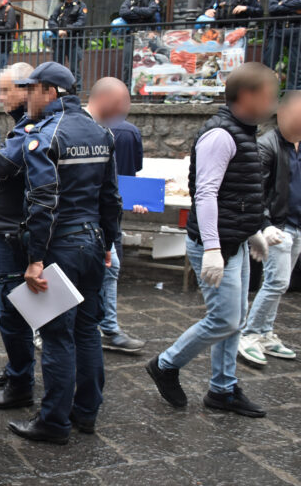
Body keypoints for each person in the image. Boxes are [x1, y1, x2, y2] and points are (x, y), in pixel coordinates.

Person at [145, 62, 278, 418]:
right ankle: (166, 364)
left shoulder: (244, 131)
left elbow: (240, 193)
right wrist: (214, 249)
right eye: (270, 95)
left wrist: (254, 231)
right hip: (216, 245)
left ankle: (222, 389)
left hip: (234, 241)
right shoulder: (221, 134)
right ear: (248, 96)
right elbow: (204, 194)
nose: (274, 102)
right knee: (225, 320)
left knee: (236, 316)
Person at [0, 62, 121, 444]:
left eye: (32, 90)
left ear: (49, 92)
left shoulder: (44, 136)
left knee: (56, 336)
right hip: (93, 241)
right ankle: (86, 413)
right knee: (87, 329)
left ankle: (53, 421)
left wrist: (35, 259)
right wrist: (109, 244)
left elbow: (42, 203)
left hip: (60, 247)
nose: (28, 97)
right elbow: (111, 198)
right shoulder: (101, 133)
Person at [0, 62, 34, 392]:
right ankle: (18, 368)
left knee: (13, 306)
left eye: (5, 90)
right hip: (8, 227)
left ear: (26, 88)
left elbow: (2, 167)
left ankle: (20, 381)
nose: (0, 98)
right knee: (12, 306)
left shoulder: (30, 128)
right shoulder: (22, 125)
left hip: (13, 230)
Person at [238, 91, 301, 365]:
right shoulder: (266, 145)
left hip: (297, 225)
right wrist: (265, 226)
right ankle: (250, 334)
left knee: (279, 285)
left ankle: (265, 332)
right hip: (278, 226)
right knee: (276, 282)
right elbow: (256, 192)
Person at [85, 77, 147, 354]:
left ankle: (107, 327)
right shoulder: (108, 132)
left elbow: (112, 186)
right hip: (85, 223)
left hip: (96, 223)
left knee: (110, 270)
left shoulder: (111, 133)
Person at [118, 0, 162, 85]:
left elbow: (150, 12)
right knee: (127, 65)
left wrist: (134, 10)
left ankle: (147, 94)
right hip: (132, 35)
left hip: (147, 36)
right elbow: (123, 12)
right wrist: (141, 15)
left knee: (148, 64)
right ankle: (126, 92)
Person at [48, 0, 87, 92]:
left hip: (73, 41)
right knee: (57, 68)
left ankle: (76, 93)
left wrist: (66, 30)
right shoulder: (60, 7)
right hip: (60, 41)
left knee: (74, 69)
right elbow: (51, 21)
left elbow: (81, 22)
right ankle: (57, 91)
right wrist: (58, 30)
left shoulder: (80, 6)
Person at [263, 0, 301, 90]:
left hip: (297, 28)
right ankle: (266, 91)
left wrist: (282, 4)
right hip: (278, 28)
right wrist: (295, 7)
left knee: (296, 65)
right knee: (268, 62)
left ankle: (292, 97)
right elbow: (272, 9)